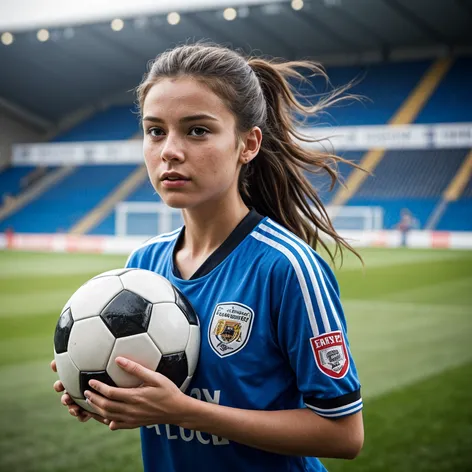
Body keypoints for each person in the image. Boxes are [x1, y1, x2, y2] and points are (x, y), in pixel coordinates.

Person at [51, 43, 364, 472]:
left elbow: (344, 435)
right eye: (155, 131)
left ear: (248, 143)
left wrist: (181, 410)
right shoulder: (143, 264)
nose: (169, 151)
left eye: (197, 130)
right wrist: (102, 390)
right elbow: (155, 398)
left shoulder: (286, 267)